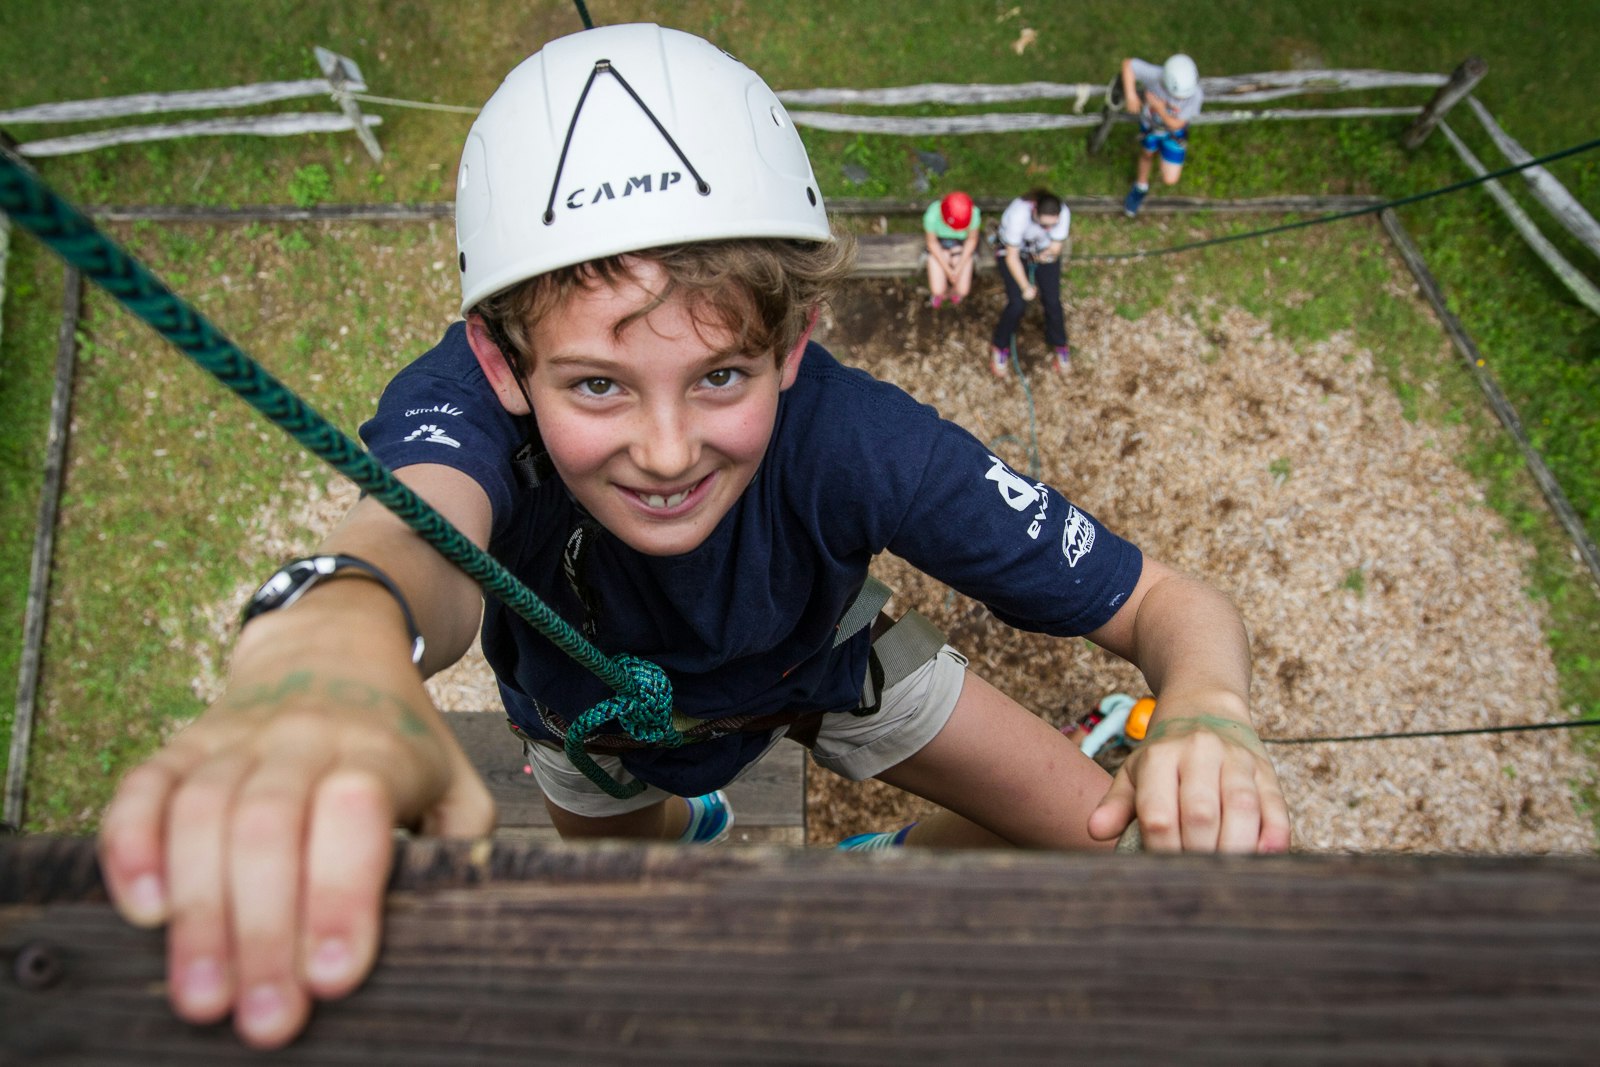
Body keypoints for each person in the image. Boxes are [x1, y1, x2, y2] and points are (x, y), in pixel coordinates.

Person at [97, 24, 1290, 1050]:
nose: (666, 451)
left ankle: (886, 867)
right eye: (598, 386)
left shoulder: (854, 440)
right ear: (501, 365)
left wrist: (1207, 709)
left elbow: (1169, 607)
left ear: (792, 344)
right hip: (596, 717)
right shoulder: (462, 410)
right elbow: (415, 534)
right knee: (646, 861)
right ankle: (698, 821)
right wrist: (337, 631)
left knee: (1094, 829)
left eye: (719, 373)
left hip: (823, 661)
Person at [989, 188, 1071, 377]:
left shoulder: (1062, 212)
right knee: (1017, 302)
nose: (1048, 230)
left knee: (1052, 300)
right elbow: (1011, 257)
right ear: (1034, 212)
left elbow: (1056, 246)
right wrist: (1026, 286)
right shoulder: (1018, 215)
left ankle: (1060, 343)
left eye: (1053, 226)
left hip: (1040, 253)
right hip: (1013, 252)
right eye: (1044, 225)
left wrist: (1045, 255)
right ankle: (1000, 345)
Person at [1120, 54, 1203, 218]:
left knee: (1170, 179)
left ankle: (1161, 159)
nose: (1179, 99)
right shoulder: (1155, 75)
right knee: (1146, 154)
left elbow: (1176, 124)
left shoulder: (1195, 95)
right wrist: (1130, 95)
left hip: (1173, 134)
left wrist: (1159, 108)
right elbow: (1128, 64)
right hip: (1150, 127)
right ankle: (1141, 186)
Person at [922, 190, 981, 308]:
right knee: (937, 289)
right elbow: (932, 242)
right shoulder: (932, 216)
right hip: (939, 245)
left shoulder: (973, 213)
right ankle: (941, 295)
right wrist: (948, 270)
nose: (958, 231)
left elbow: (971, 239)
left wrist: (958, 268)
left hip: (962, 245)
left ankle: (953, 293)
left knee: (963, 290)